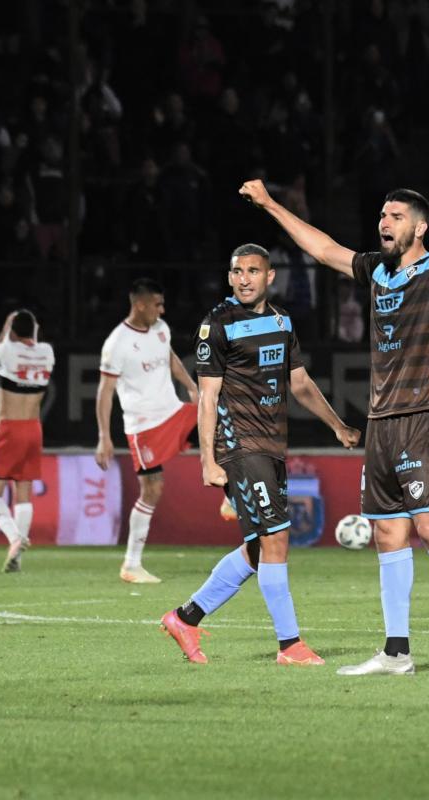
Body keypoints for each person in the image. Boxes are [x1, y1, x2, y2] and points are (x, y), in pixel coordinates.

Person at [239, 178, 429, 677]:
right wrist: (271, 204)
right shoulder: (376, 270)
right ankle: (397, 651)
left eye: (396, 216)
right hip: (379, 421)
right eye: (383, 214)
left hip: (423, 414)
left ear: (420, 227)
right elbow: (322, 248)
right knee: (388, 534)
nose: (384, 222)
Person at [160, 244, 360, 666]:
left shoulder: (281, 321)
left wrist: (336, 424)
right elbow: (207, 396)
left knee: (259, 548)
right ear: (229, 276)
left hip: (271, 447)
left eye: (253, 271)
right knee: (276, 540)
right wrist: (208, 461)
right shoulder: (217, 325)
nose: (244, 278)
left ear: (270, 277)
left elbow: (300, 383)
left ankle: (185, 618)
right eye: (237, 271)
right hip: (240, 447)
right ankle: (290, 645)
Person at [95, 278, 200, 584]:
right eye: (157, 304)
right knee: (152, 489)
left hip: (173, 412)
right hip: (143, 427)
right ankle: (131, 564)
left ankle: (228, 496)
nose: (162, 309)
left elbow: (169, 357)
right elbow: (104, 391)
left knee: (216, 418)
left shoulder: (160, 328)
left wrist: (191, 386)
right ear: (139, 304)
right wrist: (104, 436)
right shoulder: (117, 344)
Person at [0, 310, 55, 573]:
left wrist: (2, 334)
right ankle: (17, 558)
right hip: (34, 428)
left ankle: (15, 538)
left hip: (8, 427)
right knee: (23, 492)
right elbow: (33, 342)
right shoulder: (47, 352)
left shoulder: (6, 350)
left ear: (12, 331)